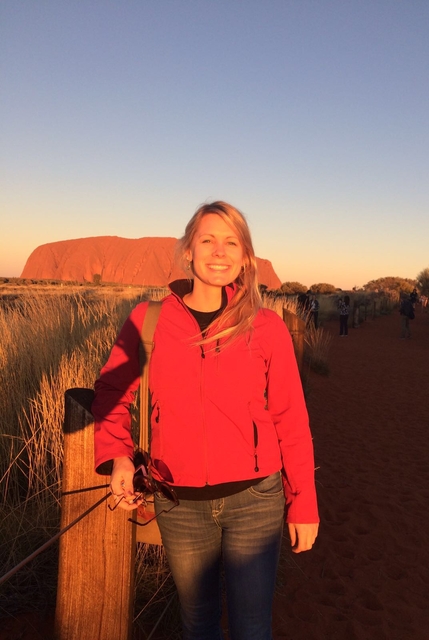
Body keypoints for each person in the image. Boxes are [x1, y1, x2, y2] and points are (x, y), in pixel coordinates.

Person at [92, 201, 319, 640]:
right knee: (198, 626)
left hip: (256, 499)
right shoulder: (149, 319)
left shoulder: (266, 326)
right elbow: (111, 392)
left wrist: (304, 503)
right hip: (181, 504)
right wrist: (118, 456)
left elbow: (291, 419)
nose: (219, 251)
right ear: (188, 252)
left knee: (252, 627)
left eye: (231, 242)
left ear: (245, 257)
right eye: (208, 240)